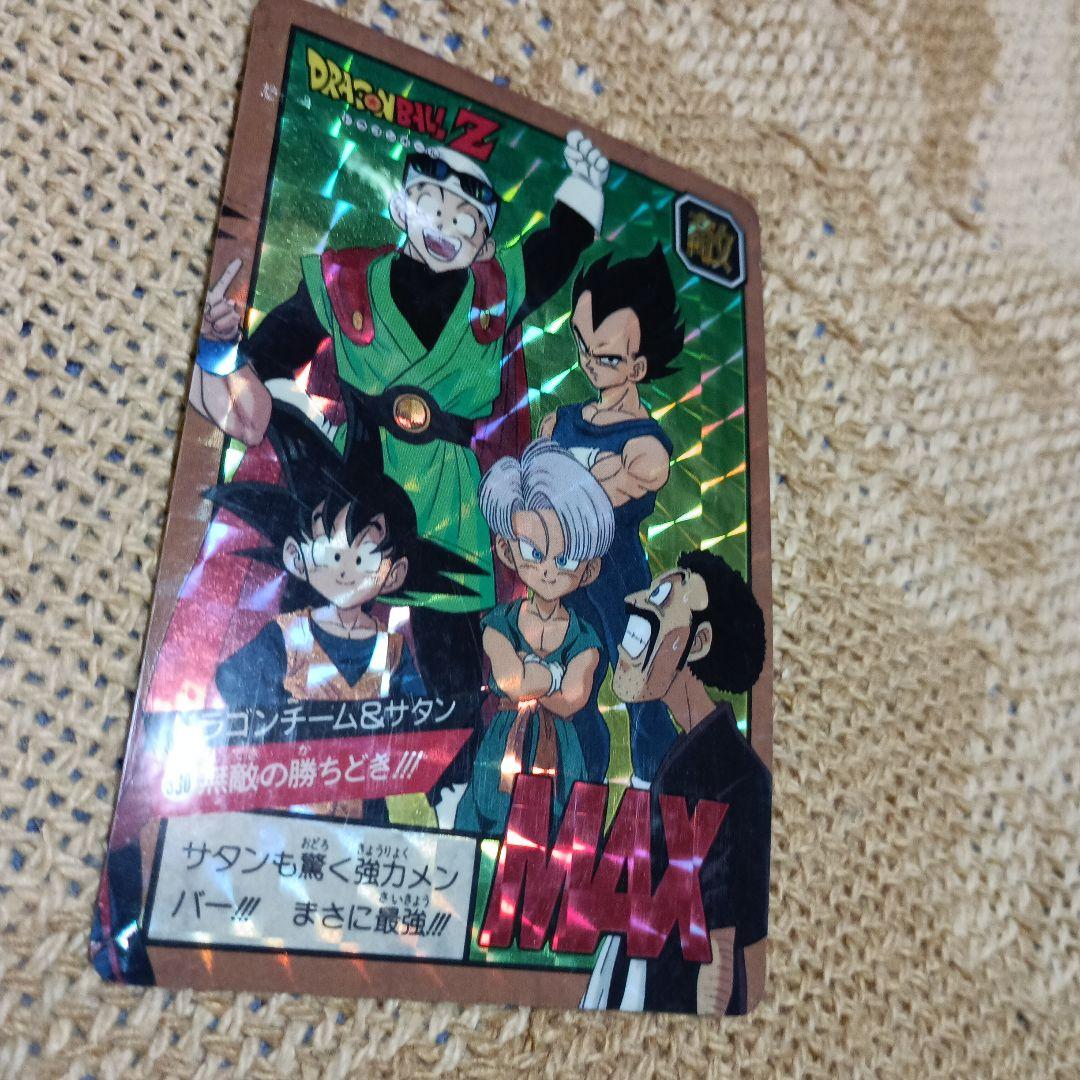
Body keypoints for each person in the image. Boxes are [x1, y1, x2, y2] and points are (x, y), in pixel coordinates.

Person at [186, 134, 611, 780]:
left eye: (466, 218)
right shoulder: (345, 279)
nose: (445, 225)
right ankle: (273, 763)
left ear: (485, 241)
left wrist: (583, 187)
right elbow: (266, 362)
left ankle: (453, 789)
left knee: (450, 666)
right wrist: (223, 347)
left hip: (448, 502)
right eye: (431, 203)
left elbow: (559, 248)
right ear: (399, 207)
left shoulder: (497, 289)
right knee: (308, 625)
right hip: (356, 486)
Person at [580, 550, 770, 1015]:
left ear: (698, 643)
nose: (628, 649)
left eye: (644, 630)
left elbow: (718, 957)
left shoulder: (734, 778)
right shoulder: (680, 755)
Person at [539, 245, 683, 784]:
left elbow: (592, 499)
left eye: (606, 357)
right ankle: (581, 783)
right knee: (572, 685)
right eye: (582, 346)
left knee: (639, 683)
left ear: (639, 367)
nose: (588, 364)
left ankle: (654, 783)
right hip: (564, 577)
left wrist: (570, 482)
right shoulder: (560, 420)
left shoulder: (647, 446)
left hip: (618, 580)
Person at [454, 439, 615, 837]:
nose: (548, 570)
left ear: (589, 569)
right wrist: (552, 678)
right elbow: (511, 680)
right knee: (487, 820)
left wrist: (534, 677)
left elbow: (572, 699)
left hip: (562, 755)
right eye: (533, 552)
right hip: (500, 749)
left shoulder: (584, 637)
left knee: (556, 831)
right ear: (507, 551)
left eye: (566, 558)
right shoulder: (500, 622)